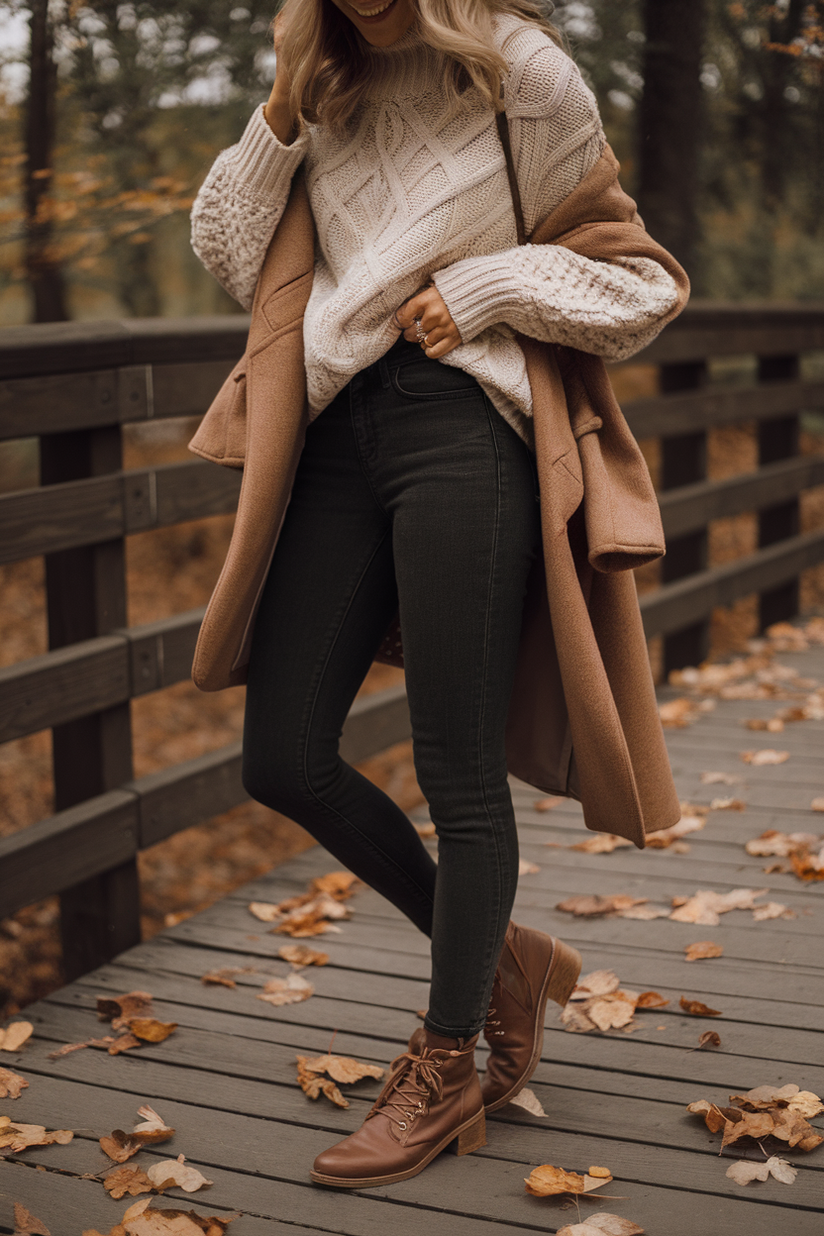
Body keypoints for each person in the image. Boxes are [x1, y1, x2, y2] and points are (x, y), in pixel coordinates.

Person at [190, 0, 685, 1191]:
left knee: (455, 766)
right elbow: (225, 251)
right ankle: (501, 960)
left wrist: (488, 289)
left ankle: (451, 1056)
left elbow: (639, 284)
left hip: (461, 422)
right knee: (283, 753)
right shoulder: (322, 72)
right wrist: (277, 102)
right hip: (332, 432)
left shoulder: (520, 66)